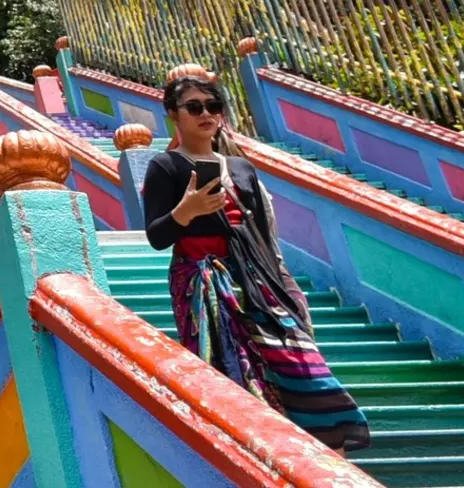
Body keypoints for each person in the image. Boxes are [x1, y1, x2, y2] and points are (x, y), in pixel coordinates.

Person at [142, 68, 369, 451]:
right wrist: (186, 211)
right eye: (193, 107)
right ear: (173, 114)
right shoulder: (165, 167)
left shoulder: (241, 168)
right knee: (235, 375)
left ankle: (332, 456)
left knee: (306, 368)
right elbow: (156, 236)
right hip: (205, 287)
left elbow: (264, 236)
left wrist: (286, 286)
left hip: (259, 281)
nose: (205, 114)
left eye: (213, 105)